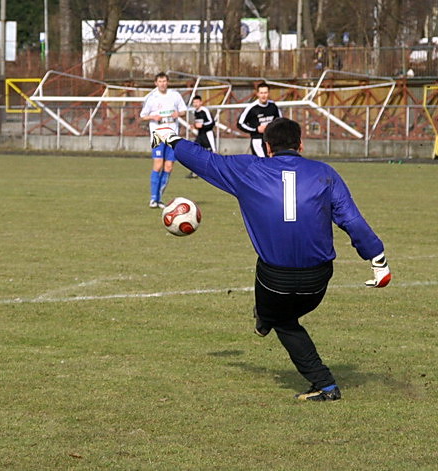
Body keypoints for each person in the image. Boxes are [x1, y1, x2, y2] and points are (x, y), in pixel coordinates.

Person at [151, 118, 392, 401]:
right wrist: (378, 259)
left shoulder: (249, 169)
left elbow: (204, 160)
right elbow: (352, 220)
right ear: (301, 144)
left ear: (266, 148)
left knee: (283, 319)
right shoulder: (325, 173)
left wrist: (172, 138)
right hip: (318, 282)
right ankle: (273, 325)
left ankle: (318, 378)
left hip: (274, 281)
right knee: (286, 313)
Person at [139, 71, 187, 207]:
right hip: (158, 134)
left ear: (167, 82)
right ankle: (153, 198)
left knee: (169, 166)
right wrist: (153, 117)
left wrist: (178, 113)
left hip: (172, 135)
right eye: (160, 81)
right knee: (158, 164)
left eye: (164, 81)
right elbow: (143, 115)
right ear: (156, 83)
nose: (162, 84)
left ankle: (159, 198)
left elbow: (184, 111)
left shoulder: (175, 95)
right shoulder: (151, 97)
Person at [237, 81, 281, 157]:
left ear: (268, 93)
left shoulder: (273, 106)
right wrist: (256, 129)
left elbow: (280, 122)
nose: (263, 95)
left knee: (273, 163)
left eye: (265, 93)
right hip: (258, 140)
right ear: (257, 94)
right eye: (261, 93)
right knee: (263, 163)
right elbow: (240, 124)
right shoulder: (252, 108)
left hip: (272, 140)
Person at [187, 94, 216, 178]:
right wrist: (194, 126)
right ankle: (195, 173)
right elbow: (198, 123)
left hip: (208, 134)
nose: (195, 104)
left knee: (212, 154)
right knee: (195, 152)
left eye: (197, 102)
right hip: (200, 135)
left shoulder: (205, 111)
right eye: (194, 102)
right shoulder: (196, 112)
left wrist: (202, 126)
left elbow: (211, 122)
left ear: (201, 102)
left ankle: (214, 173)